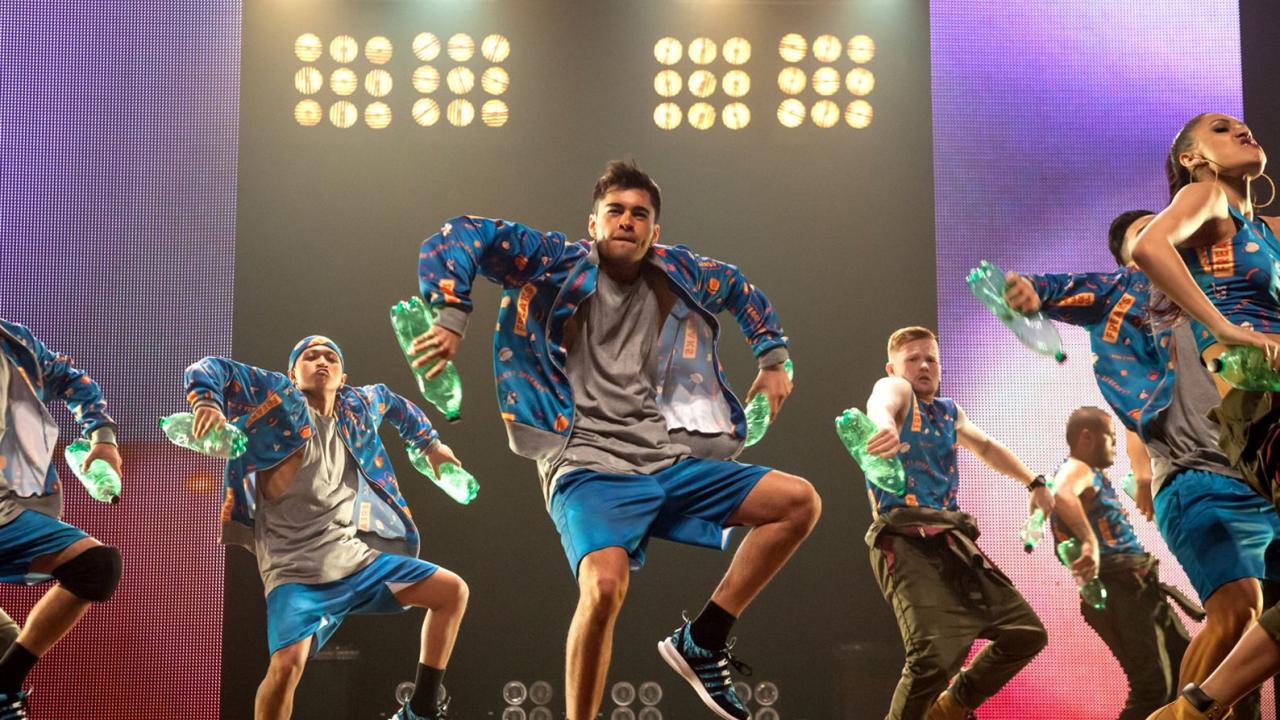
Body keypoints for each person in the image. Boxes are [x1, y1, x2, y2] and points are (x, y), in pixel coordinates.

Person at [412, 160, 821, 720]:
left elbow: (739, 289)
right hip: (584, 464)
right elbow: (462, 233)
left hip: (664, 458)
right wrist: (451, 314)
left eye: (640, 214)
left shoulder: (680, 270)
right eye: (615, 211)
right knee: (604, 590)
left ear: (655, 231)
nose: (626, 221)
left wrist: (774, 358)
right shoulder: (554, 260)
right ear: (594, 223)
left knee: (798, 502)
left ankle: (704, 638)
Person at [1004, 210, 1280, 720]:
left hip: (1265, 475)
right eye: (1148, 234)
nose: (1167, 237)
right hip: (1199, 476)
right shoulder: (1125, 292)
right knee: (1236, 610)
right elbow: (1062, 287)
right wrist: (1027, 291)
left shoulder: (1224, 288)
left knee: (1261, 629)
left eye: (1171, 228)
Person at [184, 336, 468, 720]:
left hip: (356, 564)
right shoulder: (280, 399)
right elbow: (212, 368)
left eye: (330, 357)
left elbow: (397, 406)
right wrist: (206, 403)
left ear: (342, 375)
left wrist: (430, 446)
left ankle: (421, 708)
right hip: (295, 575)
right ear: (292, 372)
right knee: (286, 669)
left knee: (451, 592)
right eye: (309, 356)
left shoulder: (357, 407)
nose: (321, 362)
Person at [1127, 113, 1280, 719]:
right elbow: (1148, 246)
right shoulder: (1206, 194)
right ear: (1193, 158)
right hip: (1262, 407)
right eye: (1221, 130)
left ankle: (1189, 712)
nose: (1242, 131)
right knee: (1240, 608)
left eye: (1243, 125)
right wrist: (1221, 327)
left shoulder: (1263, 230)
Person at [862, 325, 1049, 720]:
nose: (923, 365)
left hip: (953, 539)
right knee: (931, 657)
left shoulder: (948, 412)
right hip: (906, 540)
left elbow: (984, 446)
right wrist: (882, 426)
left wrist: (1033, 481)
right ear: (893, 367)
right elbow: (881, 401)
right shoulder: (896, 392)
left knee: (1025, 632)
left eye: (931, 358)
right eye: (912, 359)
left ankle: (951, 706)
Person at [0, 319, 124, 718]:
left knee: (95, 565)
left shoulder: (14, 343)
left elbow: (73, 380)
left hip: (8, 507)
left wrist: (102, 437)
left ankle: (3, 688)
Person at [1050, 407, 1190, 719]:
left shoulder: (1095, 478)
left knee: (1188, 668)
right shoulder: (1076, 468)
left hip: (1140, 589)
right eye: (1111, 438)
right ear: (1087, 437)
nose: (1115, 446)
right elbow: (1061, 493)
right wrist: (1088, 540)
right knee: (1153, 686)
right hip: (1119, 589)